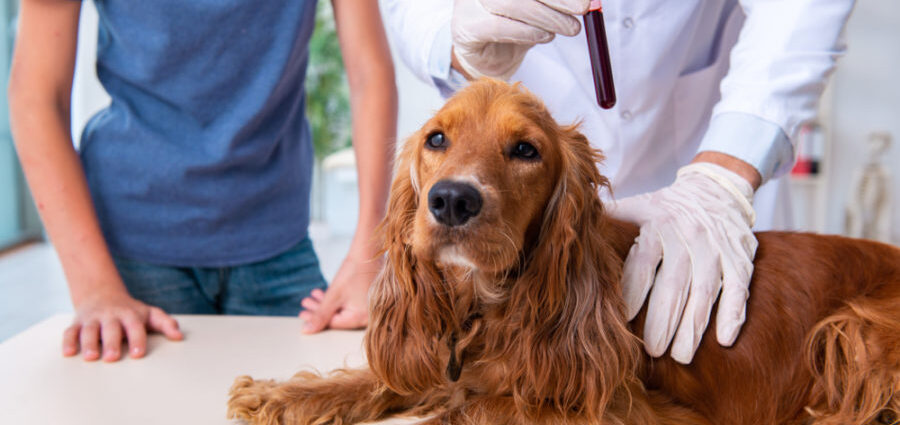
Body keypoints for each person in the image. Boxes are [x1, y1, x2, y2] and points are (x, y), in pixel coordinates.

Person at [382, 0, 854, 363]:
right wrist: (450, 35)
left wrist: (723, 175)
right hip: (508, 219)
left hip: (708, 172)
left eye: (525, 148)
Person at [9, 0, 396, 362]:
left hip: (279, 240)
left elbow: (368, 73)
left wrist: (370, 252)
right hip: (133, 247)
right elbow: (36, 97)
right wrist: (95, 287)